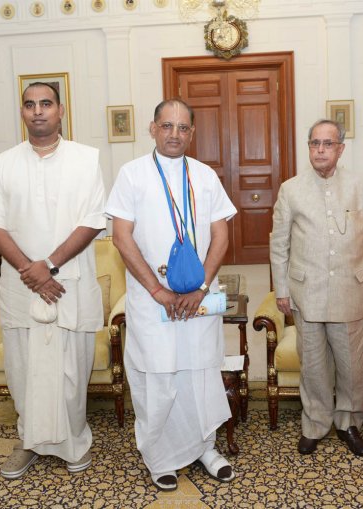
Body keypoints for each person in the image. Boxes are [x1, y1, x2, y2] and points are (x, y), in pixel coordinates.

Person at [106, 98, 237, 491]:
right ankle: (158, 455)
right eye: (167, 126)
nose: (175, 134)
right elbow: (121, 237)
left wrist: (200, 288)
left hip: (197, 298)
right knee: (158, 375)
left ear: (192, 133)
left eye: (183, 128)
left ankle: (204, 448)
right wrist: (157, 290)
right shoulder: (131, 175)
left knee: (199, 372)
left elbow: (221, 235)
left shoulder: (205, 176)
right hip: (151, 298)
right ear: (153, 128)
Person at [0, 82, 107, 479]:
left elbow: (92, 221)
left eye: (46, 104)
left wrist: (48, 265)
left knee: (71, 369)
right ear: (22, 112)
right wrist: (31, 272)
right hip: (21, 285)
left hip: (69, 281)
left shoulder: (86, 159)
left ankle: (74, 442)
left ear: (61, 110)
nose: (38, 111)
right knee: (22, 368)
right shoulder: (4, 163)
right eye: (30, 105)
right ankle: (27, 442)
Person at [270, 119, 363, 457]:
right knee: (314, 365)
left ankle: (349, 423)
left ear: (340, 149)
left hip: (352, 289)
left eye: (328, 143)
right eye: (315, 143)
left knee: (351, 366)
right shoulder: (290, 189)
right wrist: (281, 289)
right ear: (309, 147)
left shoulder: (361, 186)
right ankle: (315, 423)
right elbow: (279, 244)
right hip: (307, 293)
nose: (320, 150)